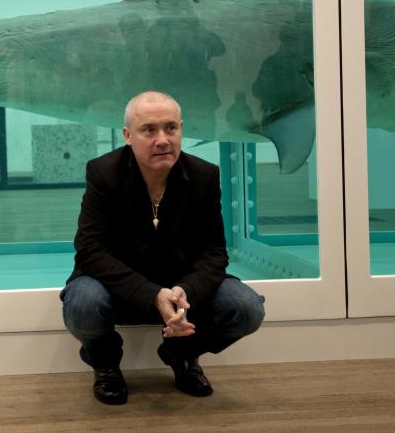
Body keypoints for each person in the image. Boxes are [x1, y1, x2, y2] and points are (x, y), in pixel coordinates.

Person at [61, 90, 265, 404]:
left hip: (179, 288)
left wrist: (186, 291)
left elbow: (214, 253)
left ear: (181, 129)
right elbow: (90, 251)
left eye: (171, 128)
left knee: (247, 308)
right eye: (149, 130)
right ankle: (105, 364)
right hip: (117, 285)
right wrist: (151, 294)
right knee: (83, 305)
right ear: (128, 136)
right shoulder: (103, 173)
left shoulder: (204, 176)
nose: (163, 139)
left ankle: (181, 355)